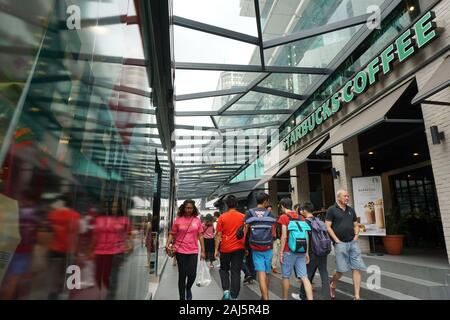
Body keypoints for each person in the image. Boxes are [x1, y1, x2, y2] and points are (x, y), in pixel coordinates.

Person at [327, 190, 366, 300]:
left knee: (356, 268)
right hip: (340, 244)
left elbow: (356, 225)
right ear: (339, 198)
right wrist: (336, 240)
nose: (347, 198)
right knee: (341, 270)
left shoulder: (351, 210)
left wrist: (356, 237)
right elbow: (328, 226)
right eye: (345, 196)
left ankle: (357, 296)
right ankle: (333, 284)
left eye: (348, 196)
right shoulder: (331, 210)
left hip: (352, 243)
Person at [93, 198, 133, 300]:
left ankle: (109, 296)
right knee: (98, 276)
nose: (113, 208)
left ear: (119, 207)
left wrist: (129, 245)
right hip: (100, 251)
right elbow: (94, 234)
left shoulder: (124, 220)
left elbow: (129, 234)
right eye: (112, 206)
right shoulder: (101, 219)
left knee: (111, 276)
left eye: (116, 206)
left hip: (116, 251)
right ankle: (100, 294)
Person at [166, 199, 205, 300]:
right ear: (184, 208)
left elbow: (200, 235)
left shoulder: (197, 220)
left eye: (191, 208)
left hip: (193, 251)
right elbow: (172, 233)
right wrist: (167, 244)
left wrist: (203, 251)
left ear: (194, 208)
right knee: (182, 275)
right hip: (180, 250)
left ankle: (188, 288)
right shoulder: (178, 220)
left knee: (192, 274)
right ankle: (182, 298)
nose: (189, 210)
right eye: (187, 208)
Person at [278, 198, 313, 300]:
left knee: (286, 277)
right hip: (301, 249)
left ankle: (285, 299)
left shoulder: (283, 217)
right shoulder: (301, 217)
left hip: (288, 250)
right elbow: (306, 235)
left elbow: (284, 236)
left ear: (282, 206)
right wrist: (306, 252)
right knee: (304, 277)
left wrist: (281, 252)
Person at [294, 202, 331, 300]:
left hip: (312, 252)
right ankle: (327, 297)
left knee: (307, 274)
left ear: (304, 211)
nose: (300, 212)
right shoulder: (319, 220)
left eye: (301, 210)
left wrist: (306, 253)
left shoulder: (305, 222)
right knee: (324, 273)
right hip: (323, 250)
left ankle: (302, 295)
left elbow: (305, 238)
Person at [243, 192, 276, 300]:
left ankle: (265, 298)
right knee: (266, 272)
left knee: (260, 273)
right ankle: (264, 296)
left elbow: (245, 231)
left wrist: (244, 246)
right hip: (268, 246)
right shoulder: (270, 213)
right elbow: (274, 233)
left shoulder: (249, 213)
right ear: (265, 201)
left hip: (255, 247)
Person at [214, 195, 245, 300]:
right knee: (236, 271)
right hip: (239, 248)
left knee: (223, 269)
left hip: (225, 248)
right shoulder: (242, 217)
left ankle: (226, 291)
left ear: (226, 204)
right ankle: (234, 296)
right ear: (236, 204)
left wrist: (216, 250)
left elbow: (218, 234)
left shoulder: (222, 217)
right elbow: (245, 233)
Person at [268, 204, 280, 274]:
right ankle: (269, 265)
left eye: (270, 210)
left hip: (275, 238)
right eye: (268, 210)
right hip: (267, 239)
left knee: (275, 253)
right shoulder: (264, 219)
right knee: (269, 253)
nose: (269, 211)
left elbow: (277, 228)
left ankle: (274, 266)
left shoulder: (274, 219)